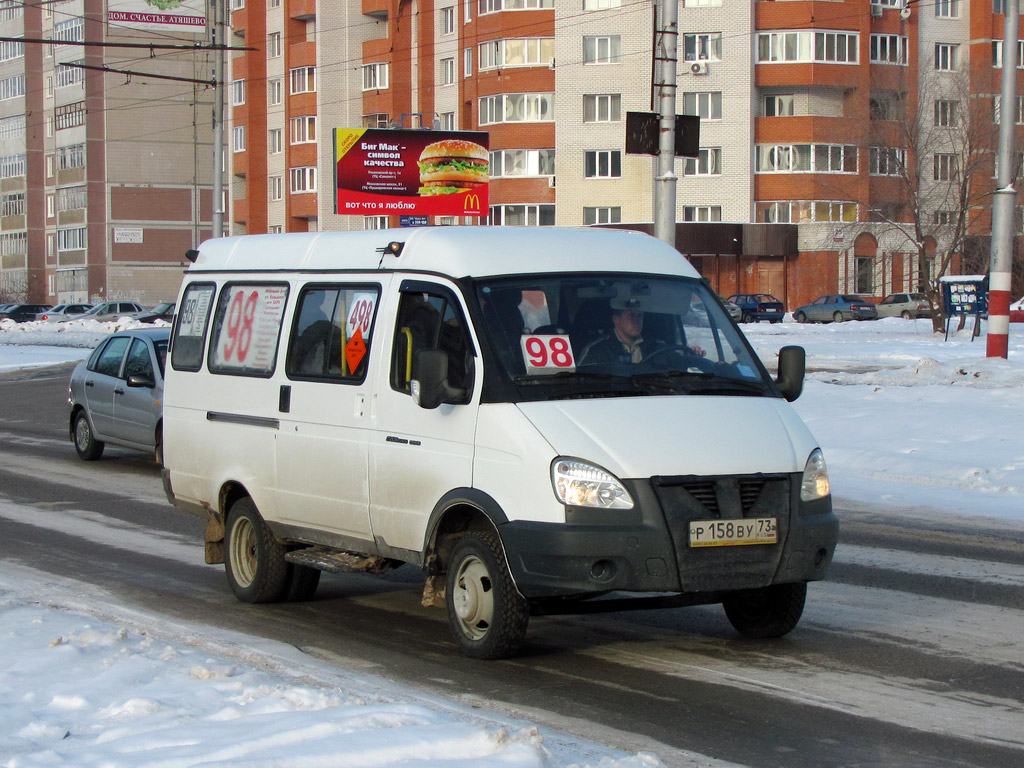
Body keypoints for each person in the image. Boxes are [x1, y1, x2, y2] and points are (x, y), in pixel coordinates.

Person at [579, 300, 704, 365]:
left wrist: (691, 357)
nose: (637, 320)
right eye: (631, 315)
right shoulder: (596, 350)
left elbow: (676, 365)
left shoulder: (657, 348)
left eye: (640, 316)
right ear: (616, 319)